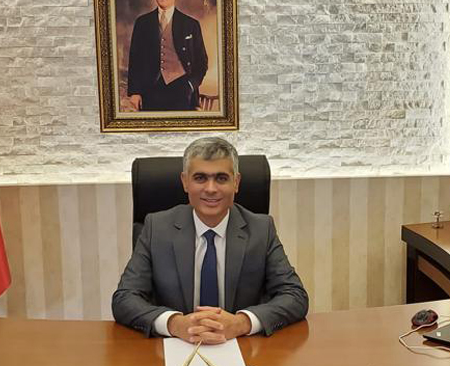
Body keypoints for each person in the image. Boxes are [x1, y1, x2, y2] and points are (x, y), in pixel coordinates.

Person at [112, 137, 309, 343]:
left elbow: (295, 295)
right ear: (185, 182)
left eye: (221, 178)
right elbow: (124, 298)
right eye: (200, 178)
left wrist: (241, 323)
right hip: (176, 346)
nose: (211, 189)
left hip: (241, 347)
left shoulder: (261, 229)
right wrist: (174, 324)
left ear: (236, 182)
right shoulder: (157, 228)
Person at [127, 0, 208, 111]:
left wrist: (190, 85)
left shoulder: (191, 24)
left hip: (182, 93)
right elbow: (135, 61)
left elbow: (202, 62)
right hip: (150, 92)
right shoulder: (142, 23)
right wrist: (135, 92)